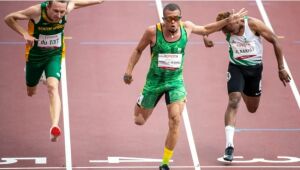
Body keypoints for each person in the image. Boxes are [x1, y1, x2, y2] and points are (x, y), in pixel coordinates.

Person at [123, 3, 247, 170]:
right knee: (139, 120)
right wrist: (129, 71)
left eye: (176, 18)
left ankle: (165, 163)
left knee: (175, 119)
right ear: (164, 20)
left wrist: (227, 21)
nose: (173, 22)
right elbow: (138, 50)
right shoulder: (152, 32)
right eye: (170, 19)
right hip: (154, 82)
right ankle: (141, 102)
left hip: (176, 82)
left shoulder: (186, 28)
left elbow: (205, 29)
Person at [4, 0, 104, 142]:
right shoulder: (36, 11)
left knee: (53, 87)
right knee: (31, 92)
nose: (59, 15)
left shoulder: (66, 9)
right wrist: (24, 33)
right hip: (35, 56)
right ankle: (40, 76)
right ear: (48, 6)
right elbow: (9, 18)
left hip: (54, 55)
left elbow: (75, 3)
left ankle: (54, 126)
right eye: (55, 11)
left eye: (62, 12)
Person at [203, 12, 291, 162]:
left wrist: (281, 68)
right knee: (234, 101)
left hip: (255, 71)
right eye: (227, 31)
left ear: (239, 22)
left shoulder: (253, 25)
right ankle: (229, 146)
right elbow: (205, 29)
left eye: (232, 30)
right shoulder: (227, 25)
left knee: (252, 108)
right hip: (236, 68)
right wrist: (206, 38)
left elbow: (275, 40)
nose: (230, 33)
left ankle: (242, 88)